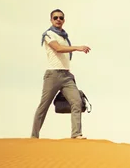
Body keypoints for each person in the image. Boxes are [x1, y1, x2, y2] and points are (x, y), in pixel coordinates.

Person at [31, 9, 91, 139]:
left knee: (77, 102)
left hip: (66, 76)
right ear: (51, 20)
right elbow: (58, 48)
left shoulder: (64, 36)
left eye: (61, 18)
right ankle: (34, 137)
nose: (58, 20)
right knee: (44, 105)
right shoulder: (48, 34)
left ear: (64, 20)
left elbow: (64, 51)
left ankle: (76, 134)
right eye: (55, 18)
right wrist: (77, 47)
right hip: (53, 75)